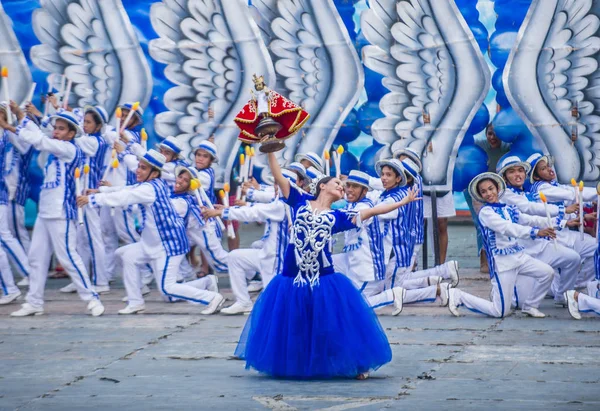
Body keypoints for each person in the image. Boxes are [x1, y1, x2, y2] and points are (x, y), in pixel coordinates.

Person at [234, 150, 420, 380]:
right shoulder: (299, 201)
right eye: (337, 183)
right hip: (291, 278)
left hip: (323, 279)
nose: (342, 187)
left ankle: (355, 362)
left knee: (332, 325)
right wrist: (271, 151)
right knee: (295, 325)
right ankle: (297, 363)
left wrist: (403, 201)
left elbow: (373, 210)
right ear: (322, 186)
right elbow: (278, 177)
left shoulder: (339, 216)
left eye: (343, 186)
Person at [78, 149, 225, 315]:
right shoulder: (151, 185)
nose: (138, 171)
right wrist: (101, 191)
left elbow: (125, 197)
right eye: (139, 166)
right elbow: (128, 189)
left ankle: (211, 298)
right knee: (125, 255)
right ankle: (136, 302)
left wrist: (92, 199)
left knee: (167, 289)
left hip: (168, 246)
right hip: (152, 244)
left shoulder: (151, 189)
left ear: (154, 173)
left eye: (143, 168)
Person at [8, 111, 104, 317]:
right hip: (45, 212)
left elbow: (41, 141)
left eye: (61, 129)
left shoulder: (69, 148)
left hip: (62, 212)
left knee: (68, 257)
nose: (56, 132)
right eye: (56, 128)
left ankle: (92, 298)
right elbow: (38, 134)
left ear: (71, 134)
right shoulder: (55, 149)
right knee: (36, 258)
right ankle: (34, 302)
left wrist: (11, 127)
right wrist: (19, 114)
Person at [447, 173, 555, 318]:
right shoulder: (486, 213)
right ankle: (459, 296)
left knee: (547, 272)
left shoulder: (508, 208)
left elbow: (529, 219)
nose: (488, 193)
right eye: (483, 191)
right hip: (503, 263)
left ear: (497, 188)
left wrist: (561, 222)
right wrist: (536, 232)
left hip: (519, 256)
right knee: (499, 312)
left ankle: (530, 306)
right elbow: (507, 228)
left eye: (490, 189)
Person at [203, 168, 296, 315]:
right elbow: (259, 207)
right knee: (235, 257)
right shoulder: (280, 202)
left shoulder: (283, 205)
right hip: (267, 255)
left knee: (277, 307)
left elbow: (255, 212)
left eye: (279, 184)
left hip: (276, 263)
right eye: (276, 184)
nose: (276, 187)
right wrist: (228, 208)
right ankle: (243, 302)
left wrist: (221, 212)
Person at [496, 155, 581, 306]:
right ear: (504, 177)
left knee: (572, 258)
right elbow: (530, 209)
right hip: (524, 254)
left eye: (521, 171)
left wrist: (564, 222)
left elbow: (536, 218)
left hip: (541, 247)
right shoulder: (505, 195)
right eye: (512, 172)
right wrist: (563, 210)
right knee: (520, 303)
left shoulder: (527, 194)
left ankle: (562, 296)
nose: (518, 175)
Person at [332, 170, 406, 314]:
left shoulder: (364, 207)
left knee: (353, 309)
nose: (350, 190)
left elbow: (343, 217)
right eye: (348, 186)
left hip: (366, 269)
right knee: (326, 264)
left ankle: (392, 295)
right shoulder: (353, 203)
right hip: (352, 262)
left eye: (355, 187)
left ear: (364, 191)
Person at [60, 105, 111, 294]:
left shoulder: (95, 141)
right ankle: (82, 279)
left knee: (93, 237)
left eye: (88, 122)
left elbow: (73, 137)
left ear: (98, 126)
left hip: (89, 196)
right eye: (84, 122)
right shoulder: (89, 139)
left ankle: (101, 281)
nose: (85, 125)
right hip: (80, 194)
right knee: (81, 240)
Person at [527, 153, 597, 288]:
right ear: (536, 176)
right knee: (564, 266)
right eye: (543, 168)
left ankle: (576, 284)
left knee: (595, 247)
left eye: (548, 166)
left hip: (566, 235)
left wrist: (583, 215)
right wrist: (597, 192)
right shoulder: (541, 188)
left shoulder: (554, 185)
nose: (549, 169)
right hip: (553, 238)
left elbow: (569, 201)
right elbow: (573, 194)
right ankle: (563, 290)